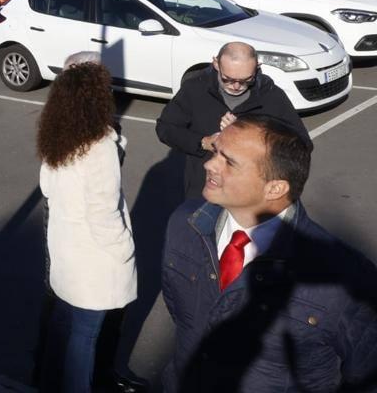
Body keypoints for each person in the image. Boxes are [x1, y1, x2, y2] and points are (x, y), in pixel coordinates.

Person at [161, 115, 377, 391]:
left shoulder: (344, 275)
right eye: (216, 152)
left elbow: (368, 374)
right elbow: (182, 313)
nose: (209, 164)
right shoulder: (184, 223)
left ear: (275, 188)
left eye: (229, 162)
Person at [37, 62, 138, 392]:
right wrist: (124, 250)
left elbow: (48, 189)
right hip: (95, 262)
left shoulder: (58, 136)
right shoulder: (98, 146)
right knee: (85, 339)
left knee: (67, 333)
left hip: (67, 252)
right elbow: (104, 211)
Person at [155, 42, 311, 200]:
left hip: (250, 196)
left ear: (257, 67)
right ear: (216, 64)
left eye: (245, 80)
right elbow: (165, 128)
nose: (236, 86)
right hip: (204, 191)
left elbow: (302, 145)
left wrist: (245, 132)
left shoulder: (272, 96)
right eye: (227, 79)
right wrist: (203, 142)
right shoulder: (195, 89)